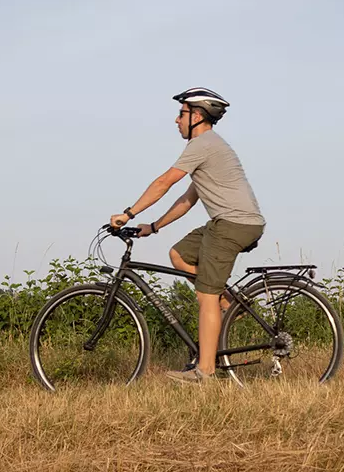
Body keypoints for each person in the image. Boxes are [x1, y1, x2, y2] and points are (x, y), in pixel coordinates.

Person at [110, 87, 265, 383]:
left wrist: (128, 214)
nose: (176, 120)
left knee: (205, 294)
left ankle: (204, 371)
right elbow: (188, 198)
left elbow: (165, 182)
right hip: (229, 222)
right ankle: (228, 304)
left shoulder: (203, 144)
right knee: (178, 255)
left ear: (197, 116)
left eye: (181, 113)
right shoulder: (207, 147)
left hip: (233, 224)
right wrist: (153, 226)